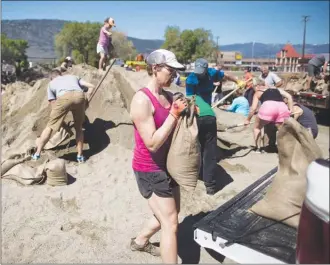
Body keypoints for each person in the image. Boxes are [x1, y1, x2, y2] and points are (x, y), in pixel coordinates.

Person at [129, 49, 187, 263]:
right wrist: (174, 114)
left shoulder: (169, 96)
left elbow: (174, 127)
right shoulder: (141, 100)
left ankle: (141, 241)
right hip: (149, 168)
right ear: (155, 69)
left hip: (168, 165)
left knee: (173, 212)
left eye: (175, 72)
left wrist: (187, 112)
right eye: (170, 71)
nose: (174, 76)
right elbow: (152, 143)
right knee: (170, 223)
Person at [186, 58, 245, 195]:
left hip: (206, 113)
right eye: (197, 72)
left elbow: (225, 75)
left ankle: (207, 182)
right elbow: (190, 99)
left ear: (206, 70)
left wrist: (237, 81)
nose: (199, 75)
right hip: (202, 113)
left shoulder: (212, 73)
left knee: (205, 149)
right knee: (206, 149)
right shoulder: (191, 79)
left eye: (201, 72)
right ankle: (206, 181)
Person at [32, 69, 95, 163]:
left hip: (63, 97)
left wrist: (60, 121)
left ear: (51, 78)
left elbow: (53, 103)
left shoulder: (51, 83)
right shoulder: (73, 77)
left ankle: (37, 154)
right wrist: (87, 97)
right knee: (79, 128)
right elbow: (92, 86)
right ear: (60, 74)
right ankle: (80, 156)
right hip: (80, 96)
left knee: (50, 126)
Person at [244, 82, 293, 152]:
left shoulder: (258, 92)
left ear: (258, 86)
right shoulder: (276, 89)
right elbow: (289, 97)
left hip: (268, 107)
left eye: (253, 87)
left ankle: (257, 148)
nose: (253, 89)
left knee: (257, 127)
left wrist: (248, 119)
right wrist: (290, 109)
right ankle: (285, 149)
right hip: (282, 108)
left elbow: (253, 109)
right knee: (281, 130)